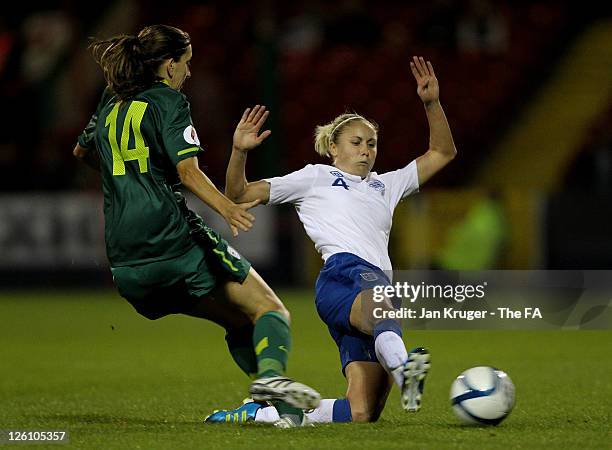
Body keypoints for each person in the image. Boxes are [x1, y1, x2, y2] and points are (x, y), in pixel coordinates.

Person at [72, 24, 321, 428]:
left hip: (125, 261)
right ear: (169, 65)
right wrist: (225, 206)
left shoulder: (111, 98)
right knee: (271, 310)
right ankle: (271, 381)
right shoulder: (170, 101)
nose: (188, 72)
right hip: (170, 238)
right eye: (186, 64)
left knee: (238, 318)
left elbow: (82, 150)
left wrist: (129, 178)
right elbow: (188, 171)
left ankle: (277, 408)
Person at [206, 56, 456, 423]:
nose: (366, 150)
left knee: (361, 411)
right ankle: (406, 370)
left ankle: (261, 415)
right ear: (333, 148)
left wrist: (431, 103)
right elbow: (239, 192)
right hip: (345, 274)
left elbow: (442, 152)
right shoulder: (315, 177)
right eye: (356, 142)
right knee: (384, 306)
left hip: (370, 286)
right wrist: (240, 151)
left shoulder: (385, 185)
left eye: (372, 143)